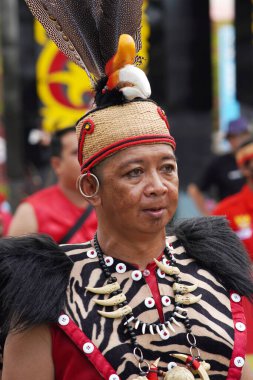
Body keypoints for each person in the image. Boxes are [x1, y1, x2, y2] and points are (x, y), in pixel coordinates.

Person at [1, 1, 253, 379]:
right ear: (92, 186)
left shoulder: (216, 270)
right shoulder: (48, 290)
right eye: (134, 173)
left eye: (167, 168)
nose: (157, 186)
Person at [8, 127, 97, 244]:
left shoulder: (110, 203)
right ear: (57, 164)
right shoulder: (31, 212)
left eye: (91, 151)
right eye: (77, 153)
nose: (87, 158)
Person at [188, 117, 251, 215]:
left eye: (242, 135)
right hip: (230, 218)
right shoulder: (219, 163)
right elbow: (194, 189)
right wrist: (208, 216)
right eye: (233, 137)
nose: (239, 141)